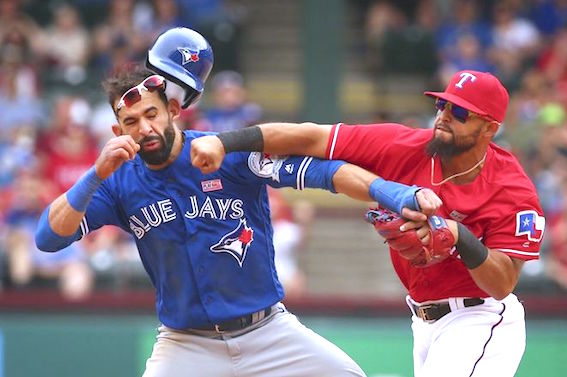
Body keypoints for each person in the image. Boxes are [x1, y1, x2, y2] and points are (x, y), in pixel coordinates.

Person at [35, 28, 443, 377]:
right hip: (185, 345)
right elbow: (48, 238)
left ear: (174, 110)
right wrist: (94, 174)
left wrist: (391, 192)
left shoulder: (223, 153)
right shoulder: (116, 182)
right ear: (116, 129)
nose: (145, 128)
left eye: (152, 114)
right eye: (131, 122)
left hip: (268, 333)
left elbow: (325, 172)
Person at [190, 70, 546, 377]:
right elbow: (313, 137)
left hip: (481, 318)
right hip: (423, 320)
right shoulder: (404, 146)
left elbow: (503, 284)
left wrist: (458, 236)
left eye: (461, 112)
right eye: (442, 105)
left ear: (490, 128)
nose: (444, 116)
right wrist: (224, 142)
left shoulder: (511, 189)